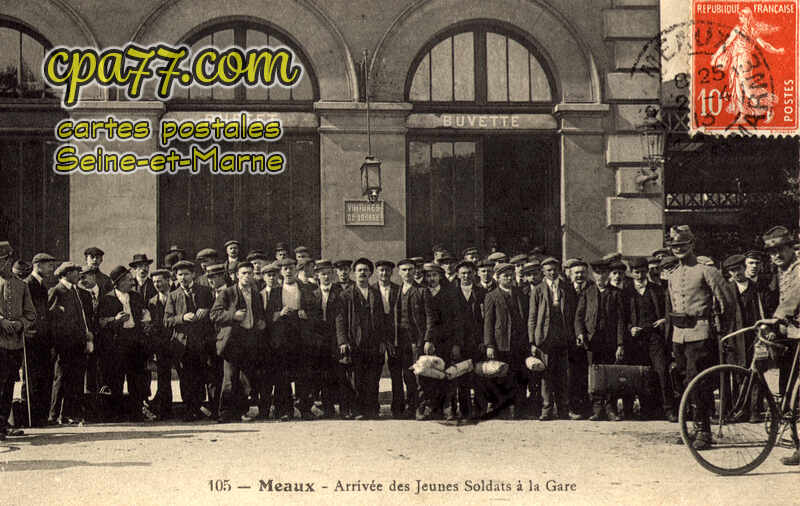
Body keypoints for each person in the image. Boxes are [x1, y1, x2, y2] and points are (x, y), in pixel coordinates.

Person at [665, 230, 733, 450]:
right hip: (679, 335)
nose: (679, 249)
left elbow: (727, 302)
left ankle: (704, 430)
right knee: (683, 381)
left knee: (699, 381)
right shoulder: (673, 274)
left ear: (692, 244)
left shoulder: (706, 270)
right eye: (675, 246)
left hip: (700, 333)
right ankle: (693, 427)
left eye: (683, 245)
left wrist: (721, 329)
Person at [210, 261, 268, 423]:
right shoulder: (228, 293)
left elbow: (259, 314)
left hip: (250, 340)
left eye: (250, 273)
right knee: (229, 378)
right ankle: (225, 414)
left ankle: (242, 411)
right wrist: (233, 315)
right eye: (243, 273)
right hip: (232, 341)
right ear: (236, 275)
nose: (247, 276)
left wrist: (261, 322)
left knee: (245, 379)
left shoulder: (255, 293)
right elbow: (214, 315)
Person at [96, 265, 154, 422]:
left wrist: (146, 322)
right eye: (128, 280)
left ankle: (136, 412)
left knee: (136, 379)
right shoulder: (107, 299)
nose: (131, 282)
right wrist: (114, 320)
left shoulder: (135, 297)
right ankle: (115, 413)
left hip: (135, 342)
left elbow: (144, 313)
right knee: (116, 379)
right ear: (119, 282)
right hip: (117, 344)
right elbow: (100, 323)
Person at [265, 258, 318, 421]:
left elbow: (316, 312)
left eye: (291, 268)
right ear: (281, 272)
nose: (288, 271)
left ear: (296, 270)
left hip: (302, 337)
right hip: (283, 339)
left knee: (303, 374)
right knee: (282, 375)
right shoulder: (274, 292)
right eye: (285, 269)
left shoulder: (307, 289)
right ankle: (285, 410)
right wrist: (279, 313)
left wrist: (307, 315)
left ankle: (305, 408)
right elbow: (267, 316)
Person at [575, 258, 626, 421]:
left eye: (603, 273)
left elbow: (620, 320)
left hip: (610, 341)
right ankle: (597, 408)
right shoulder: (587, 292)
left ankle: (610, 408)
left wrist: (620, 344)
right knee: (594, 373)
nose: (600, 276)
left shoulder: (616, 293)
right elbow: (579, 317)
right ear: (593, 274)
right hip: (592, 340)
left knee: (610, 373)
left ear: (608, 275)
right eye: (597, 273)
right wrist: (581, 334)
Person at [164, 260, 215, 422]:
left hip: (202, 342)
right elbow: (167, 320)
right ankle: (189, 409)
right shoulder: (173, 295)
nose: (183, 277)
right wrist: (182, 318)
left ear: (193, 274)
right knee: (186, 378)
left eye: (186, 274)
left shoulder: (205, 291)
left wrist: (206, 311)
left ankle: (201, 407)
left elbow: (216, 311)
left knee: (203, 375)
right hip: (183, 344)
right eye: (180, 275)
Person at [625, 257, 672, 421]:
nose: (640, 275)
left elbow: (667, 310)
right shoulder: (626, 292)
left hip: (654, 336)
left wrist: (663, 320)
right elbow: (621, 317)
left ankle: (668, 409)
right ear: (631, 273)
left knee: (661, 371)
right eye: (636, 272)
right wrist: (630, 327)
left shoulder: (657, 290)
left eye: (643, 272)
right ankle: (646, 409)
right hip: (636, 339)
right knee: (642, 373)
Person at [48, 261, 94, 425]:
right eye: (75, 272)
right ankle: (53, 414)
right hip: (64, 346)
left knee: (75, 380)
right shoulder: (57, 291)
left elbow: (82, 318)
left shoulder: (75, 291)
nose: (78, 275)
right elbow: (51, 319)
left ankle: (69, 413)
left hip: (77, 344)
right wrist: (58, 344)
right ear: (65, 274)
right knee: (61, 379)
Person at [340, 258, 385, 420]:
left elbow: (383, 320)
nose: (362, 273)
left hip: (373, 342)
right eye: (359, 270)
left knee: (373, 378)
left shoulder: (376, 293)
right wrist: (343, 341)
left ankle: (372, 409)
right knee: (356, 378)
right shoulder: (346, 295)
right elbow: (341, 319)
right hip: (355, 342)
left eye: (366, 270)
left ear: (370, 274)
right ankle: (357, 409)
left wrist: (382, 341)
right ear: (354, 273)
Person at [0, 242, 36, 439]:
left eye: (5, 261)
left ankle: (3, 423)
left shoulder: (21, 285)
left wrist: (21, 323)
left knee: (8, 385)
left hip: (14, 343)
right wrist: (2, 321)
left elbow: (31, 313)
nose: (3, 265)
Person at [529, 257, 572, 420]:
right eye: (548, 270)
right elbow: (532, 316)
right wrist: (533, 341)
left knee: (562, 373)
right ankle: (546, 409)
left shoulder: (566, 288)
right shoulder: (538, 290)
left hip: (562, 336)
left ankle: (563, 409)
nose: (552, 272)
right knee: (546, 374)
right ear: (543, 272)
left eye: (554, 269)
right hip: (544, 338)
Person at [485, 262, 529, 419]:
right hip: (501, 342)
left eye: (511, 275)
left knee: (519, 375)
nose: (509, 278)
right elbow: (488, 323)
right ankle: (502, 409)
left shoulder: (520, 294)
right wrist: (489, 344)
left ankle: (519, 410)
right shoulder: (492, 296)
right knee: (502, 376)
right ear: (498, 278)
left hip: (519, 342)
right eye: (505, 276)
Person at [417, 262, 461, 420]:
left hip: (446, 341)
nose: (431, 279)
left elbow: (457, 320)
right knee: (426, 375)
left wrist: (456, 343)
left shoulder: (450, 293)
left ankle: (448, 408)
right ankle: (429, 407)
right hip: (427, 341)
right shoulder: (420, 292)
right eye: (428, 276)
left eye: (434, 275)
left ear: (440, 276)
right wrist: (427, 340)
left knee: (447, 374)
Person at [389, 259, 426, 419]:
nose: (407, 273)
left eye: (410, 269)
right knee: (407, 375)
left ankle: (421, 408)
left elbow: (430, 318)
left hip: (417, 340)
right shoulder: (397, 290)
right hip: (401, 341)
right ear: (399, 272)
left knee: (420, 375)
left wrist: (427, 339)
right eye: (404, 270)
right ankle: (411, 407)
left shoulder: (422, 291)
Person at [24, 252, 56, 427]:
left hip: (43, 339)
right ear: (38, 265)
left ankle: (41, 417)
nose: (51, 269)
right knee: (33, 378)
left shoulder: (42, 284)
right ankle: (32, 418)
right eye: (49, 265)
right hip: (33, 338)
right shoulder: (28, 284)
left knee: (44, 376)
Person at [451, 260, 486, 419]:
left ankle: (480, 409)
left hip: (477, 342)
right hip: (459, 342)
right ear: (458, 275)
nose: (466, 276)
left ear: (475, 274)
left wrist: (484, 341)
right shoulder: (451, 294)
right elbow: (448, 322)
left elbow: (487, 320)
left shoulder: (482, 293)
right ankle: (464, 411)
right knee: (462, 376)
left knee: (479, 375)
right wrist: (455, 344)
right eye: (463, 273)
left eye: (469, 273)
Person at [311, 260, 346, 418]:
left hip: (335, 338)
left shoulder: (340, 292)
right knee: (323, 375)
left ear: (333, 275)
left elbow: (340, 318)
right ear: (317, 276)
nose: (326, 277)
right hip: (319, 340)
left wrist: (342, 341)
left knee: (339, 373)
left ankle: (346, 408)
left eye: (328, 274)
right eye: (322, 274)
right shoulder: (313, 294)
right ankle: (328, 408)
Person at [147, 268, 174, 419]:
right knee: (163, 377)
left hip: (178, 342)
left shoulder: (177, 296)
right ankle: (165, 409)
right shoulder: (152, 302)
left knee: (185, 375)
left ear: (168, 281)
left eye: (160, 281)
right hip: (161, 345)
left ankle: (192, 407)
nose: (158, 284)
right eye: (155, 282)